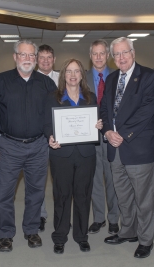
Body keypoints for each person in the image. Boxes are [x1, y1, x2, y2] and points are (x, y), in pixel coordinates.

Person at [0, 40, 57, 252]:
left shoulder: (46, 84)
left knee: (36, 192)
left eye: (31, 55)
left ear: (35, 59)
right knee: (4, 194)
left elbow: (54, 115)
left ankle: (31, 230)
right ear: (15, 57)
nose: (27, 59)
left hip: (39, 147)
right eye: (23, 55)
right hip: (8, 147)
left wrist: (54, 135)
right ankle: (5, 234)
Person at [101, 37, 154, 259]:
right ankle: (128, 231)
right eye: (116, 54)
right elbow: (104, 109)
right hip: (115, 149)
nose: (121, 58)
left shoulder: (148, 77)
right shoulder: (112, 78)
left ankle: (145, 240)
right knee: (123, 196)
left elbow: (146, 111)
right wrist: (107, 131)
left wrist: (121, 135)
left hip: (139, 147)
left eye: (124, 52)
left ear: (133, 53)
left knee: (144, 199)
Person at [44, 58, 102, 254]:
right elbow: (46, 124)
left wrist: (98, 126)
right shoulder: (53, 97)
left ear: (81, 76)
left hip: (86, 154)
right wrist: (50, 137)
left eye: (77, 71)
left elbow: (97, 121)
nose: (73, 75)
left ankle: (81, 236)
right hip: (61, 154)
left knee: (83, 196)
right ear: (63, 75)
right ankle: (60, 236)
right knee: (61, 196)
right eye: (69, 71)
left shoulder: (91, 98)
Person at [86, 39, 119, 235]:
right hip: (90, 137)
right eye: (94, 54)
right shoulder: (81, 78)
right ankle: (99, 218)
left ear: (108, 55)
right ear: (90, 56)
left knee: (113, 179)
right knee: (95, 179)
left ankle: (114, 217)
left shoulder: (117, 77)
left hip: (112, 135)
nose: (98, 57)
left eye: (102, 53)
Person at [36, 44, 59, 232]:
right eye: (41, 57)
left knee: (60, 178)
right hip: (37, 138)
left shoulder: (63, 79)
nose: (45, 61)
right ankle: (40, 214)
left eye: (49, 57)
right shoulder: (29, 79)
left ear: (54, 59)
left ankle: (62, 214)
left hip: (60, 137)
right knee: (39, 179)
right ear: (36, 59)